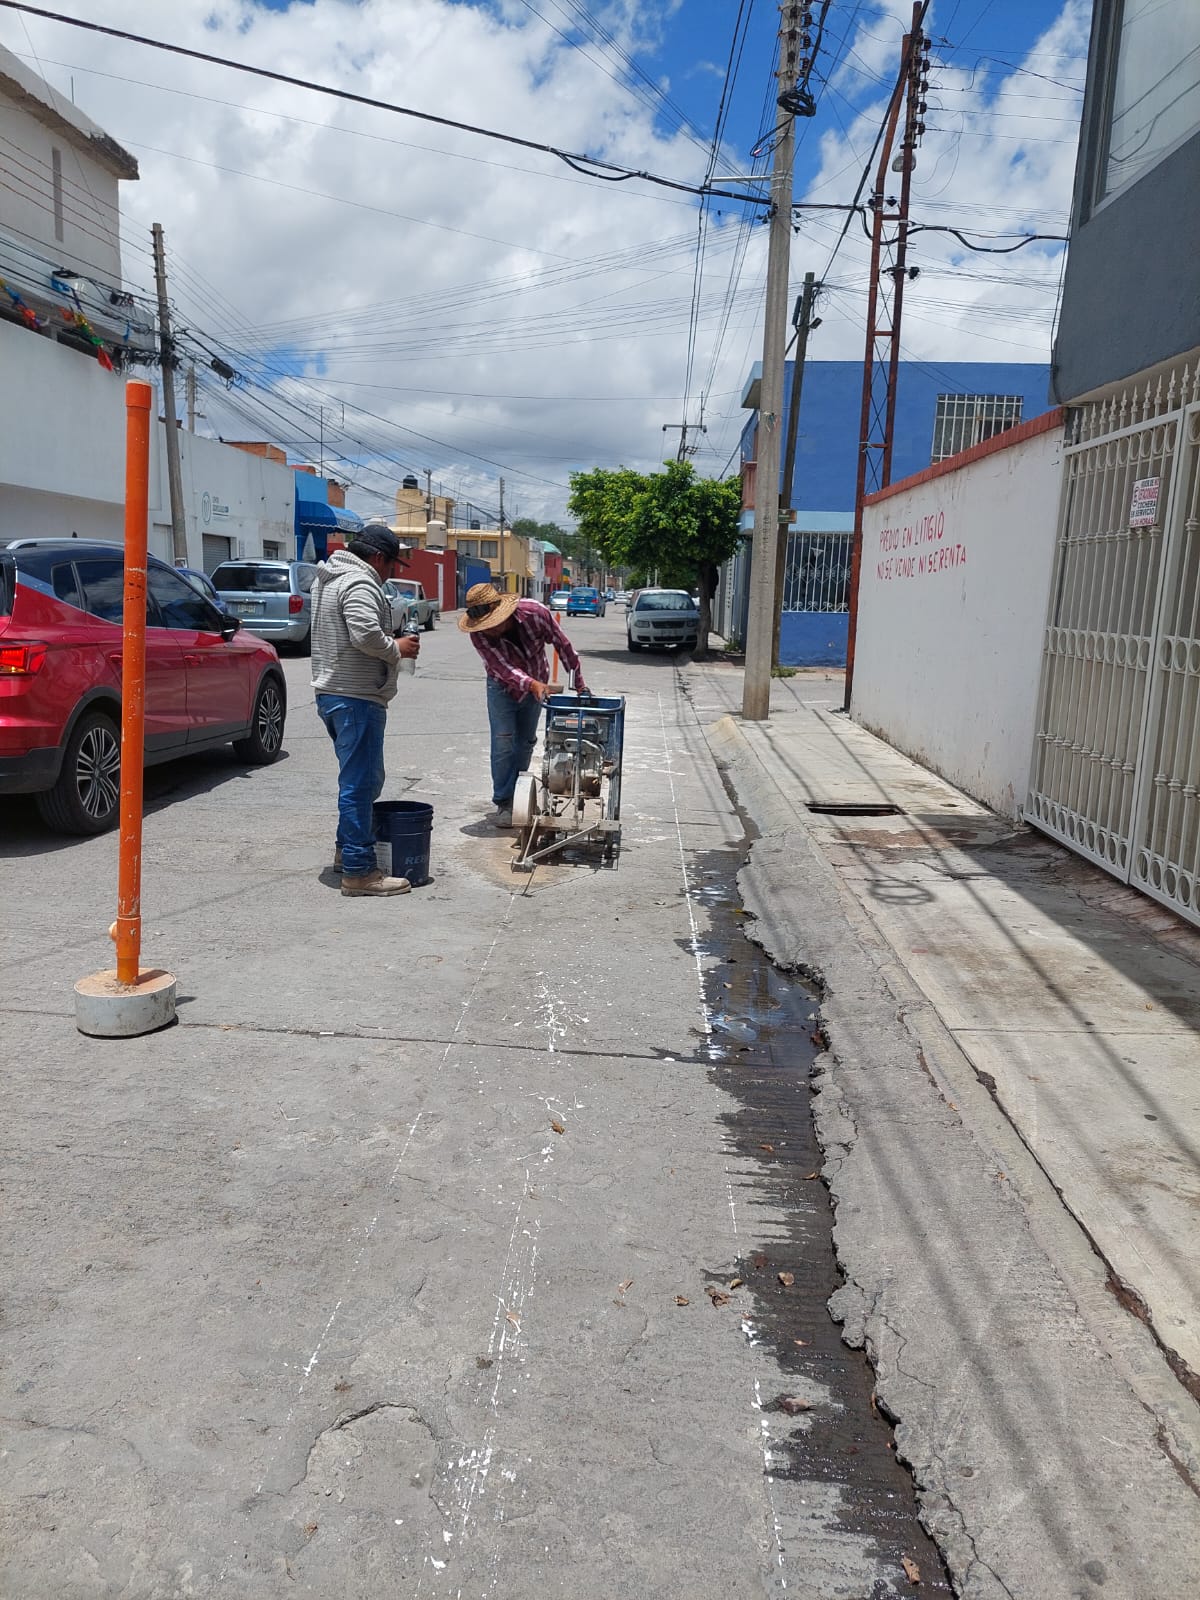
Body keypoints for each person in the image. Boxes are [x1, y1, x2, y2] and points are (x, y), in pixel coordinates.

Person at [311, 523, 419, 896]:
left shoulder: (329, 578)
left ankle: (346, 852)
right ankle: (359, 871)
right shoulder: (358, 582)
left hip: (334, 694)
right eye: (391, 565)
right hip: (355, 697)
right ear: (378, 557)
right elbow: (365, 634)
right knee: (360, 785)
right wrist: (397, 648)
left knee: (362, 779)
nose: (390, 573)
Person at [459, 582, 588, 827]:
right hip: (501, 687)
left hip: (537, 678)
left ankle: (520, 793)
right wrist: (531, 685)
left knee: (526, 741)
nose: (489, 631)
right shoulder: (478, 634)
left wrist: (579, 684)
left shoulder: (536, 614)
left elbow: (563, 645)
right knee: (503, 740)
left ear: (503, 613)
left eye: (492, 625)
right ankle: (504, 801)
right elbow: (502, 668)